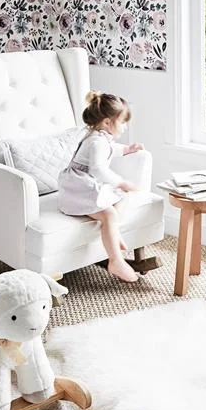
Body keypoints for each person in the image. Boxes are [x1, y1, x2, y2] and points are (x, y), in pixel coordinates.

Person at [58, 90, 144, 282]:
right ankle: (115, 260)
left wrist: (128, 150)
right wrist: (121, 182)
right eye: (122, 121)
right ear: (107, 122)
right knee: (109, 213)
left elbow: (112, 149)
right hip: (76, 188)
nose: (125, 126)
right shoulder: (97, 142)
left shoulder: (101, 138)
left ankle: (113, 233)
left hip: (86, 183)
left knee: (119, 199)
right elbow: (98, 170)